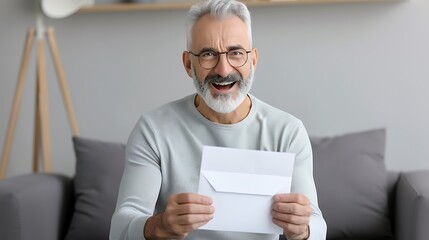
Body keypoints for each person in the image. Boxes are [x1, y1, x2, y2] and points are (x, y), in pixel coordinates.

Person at [110, 0, 327, 239]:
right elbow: (120, 228)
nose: (223, 70)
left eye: (235, 53)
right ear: (188, 64)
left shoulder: (288, 131)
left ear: (253, 60)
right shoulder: (153, 130)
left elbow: (316, 224)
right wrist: (158, 226)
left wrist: (303, 229)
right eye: (208, 54)